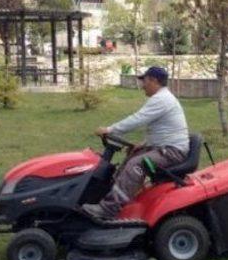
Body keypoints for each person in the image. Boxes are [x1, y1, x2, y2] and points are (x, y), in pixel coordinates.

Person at [81, 66, 189, 223]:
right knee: (133, 156)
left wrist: (110, 130)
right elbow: (160, 130)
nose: (142, 85)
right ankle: (109, 197)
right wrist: (144, 144)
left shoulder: (162, 99)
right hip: (165, 147)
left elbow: (138, 119)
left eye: (144, 81)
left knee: (136, 165)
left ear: (153, 80)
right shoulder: (162, 98)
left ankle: (108, 209)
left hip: (172, 152)